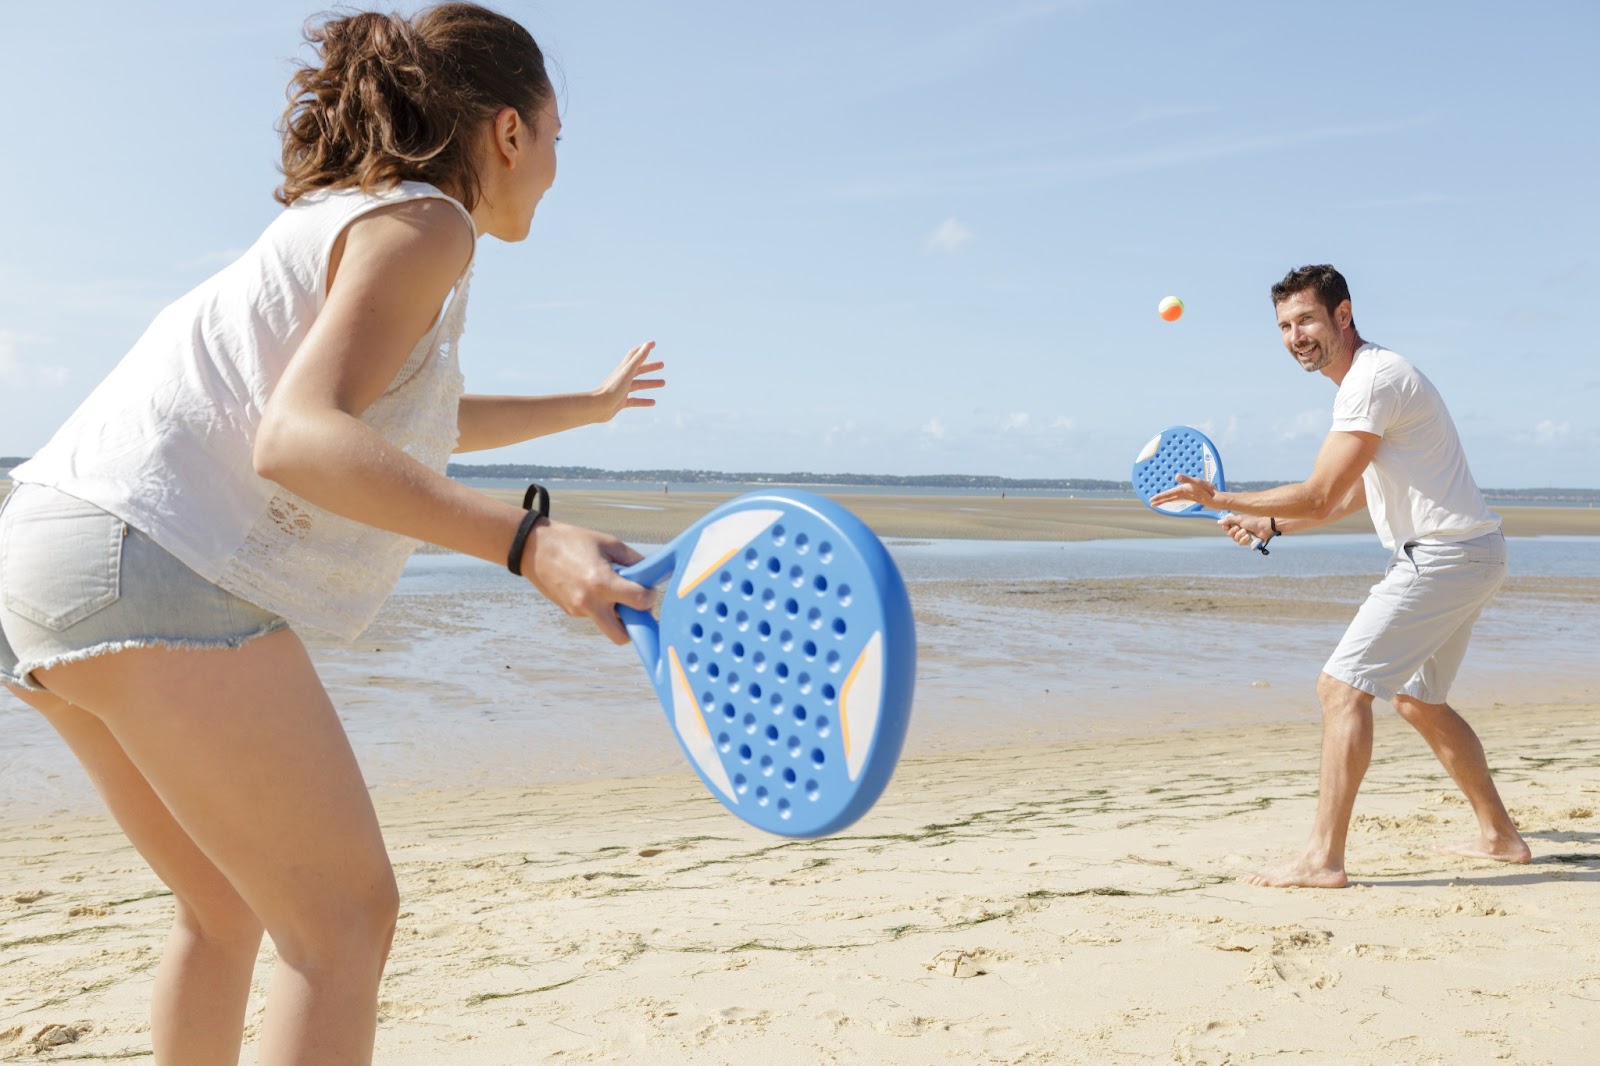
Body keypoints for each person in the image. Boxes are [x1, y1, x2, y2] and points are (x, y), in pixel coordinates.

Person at [0, 5, 662, 1060]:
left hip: (48, 549)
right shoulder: (425, 225)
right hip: (146, 553)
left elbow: (409, 420)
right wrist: (530, 545)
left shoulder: (360, 218)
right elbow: (301, 436)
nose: (551, 167)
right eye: (554, 138)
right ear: (507, 131)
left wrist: (582, 407)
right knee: (345, 922)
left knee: (222, 907)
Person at [1151, 263, 1530, 890]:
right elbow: (1356, 494)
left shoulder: (1370, 381)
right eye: (1284, 325)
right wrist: (1274, 526)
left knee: (1340, 687)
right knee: (1416, 699)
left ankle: (1322, 859)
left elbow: (1322, 493)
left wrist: (1222, 501)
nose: (1295, 335)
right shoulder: (1369, 379)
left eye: (1306, 319)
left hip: (1443, 556)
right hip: (1472, 553)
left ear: (1342, 315)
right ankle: (1500, 836)